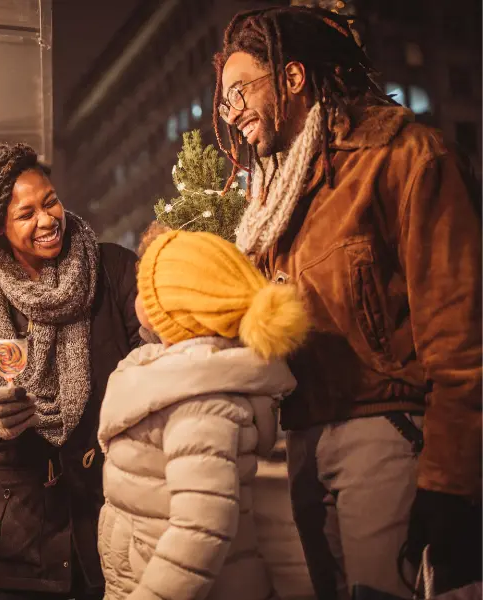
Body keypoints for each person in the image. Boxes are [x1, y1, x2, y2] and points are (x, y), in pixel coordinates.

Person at [213, 7, 481, 598]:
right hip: (307, 438)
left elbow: (461, 339)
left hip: (386, 438)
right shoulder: (280, 201)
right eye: (224, 99)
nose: (230, 112)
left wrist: (450, 482)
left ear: (292, 77)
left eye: (239, 91)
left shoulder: (405, 157)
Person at [0, 142, 141, 600]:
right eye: (26, 214)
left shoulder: (113, 271)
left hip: (112, 518)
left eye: (50, 202)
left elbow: (150, 368)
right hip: (25, 539)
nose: (48, 220)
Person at [97, 230, 308, 600]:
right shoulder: (182, 378)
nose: (137, 297)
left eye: (146, 286)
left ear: (178, 307)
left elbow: (199, 531)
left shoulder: (198, 401)